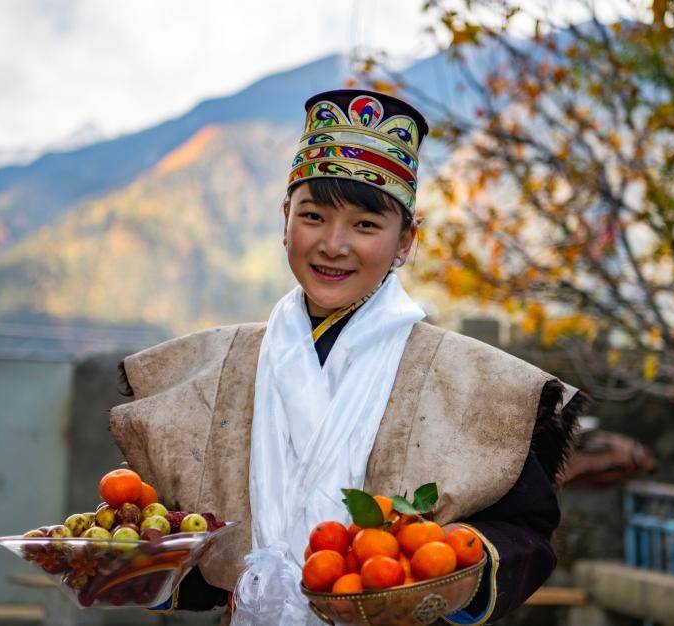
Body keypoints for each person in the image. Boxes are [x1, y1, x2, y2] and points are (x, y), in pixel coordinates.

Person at [110, 89, 591, 625]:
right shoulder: (217, 366)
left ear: (405, 241)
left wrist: (447, 567)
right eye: (313, 216)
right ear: (284, 218)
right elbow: (206, 556)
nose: (334, 245)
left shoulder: (470, 381)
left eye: (366, 225)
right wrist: (134, 574)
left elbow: (524, 532)